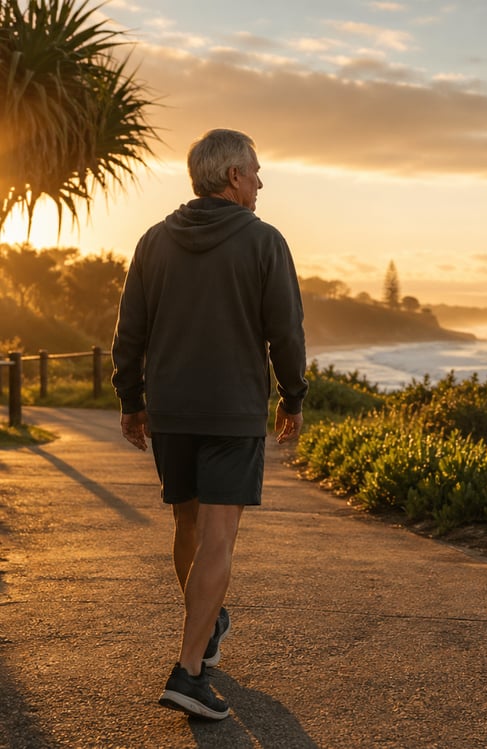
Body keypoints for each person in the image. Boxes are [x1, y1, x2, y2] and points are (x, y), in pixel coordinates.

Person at [112, 128, 308, 720]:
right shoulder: (265, 242)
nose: (260, 181)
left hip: (171, 410)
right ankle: (189, 670)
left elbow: (130, 331)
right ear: (232, 178)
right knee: (219, 536)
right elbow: (286, 333)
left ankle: (207, 624)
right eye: (254, 171)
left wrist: (131, 399)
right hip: (231, 410)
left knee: (189, 526)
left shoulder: (152, 241)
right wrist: (293, 397)